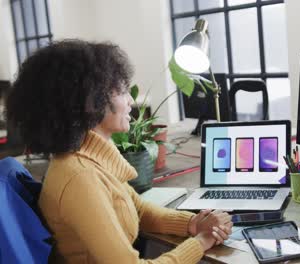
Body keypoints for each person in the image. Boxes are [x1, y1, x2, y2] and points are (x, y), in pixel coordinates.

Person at [6, 40, 233, 263]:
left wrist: (193, 224)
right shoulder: (79, 177)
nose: (130, 101)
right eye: (123, 91)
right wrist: (202, 241)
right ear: (90, 102)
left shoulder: (89, 157)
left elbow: (139, 210)